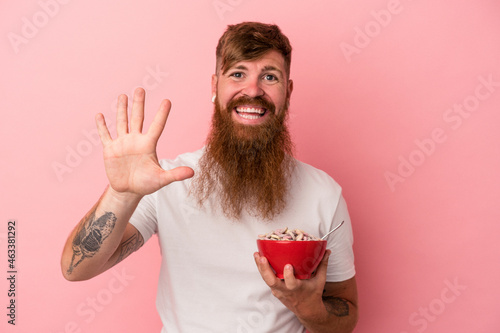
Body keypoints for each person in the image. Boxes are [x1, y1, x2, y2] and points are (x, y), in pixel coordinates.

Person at [61, 22, 358, 332]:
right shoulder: (165, 181)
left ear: (288, 91)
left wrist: (311, 310)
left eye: (270, 77)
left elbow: (346, 313)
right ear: (214, 88)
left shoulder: (324, 193)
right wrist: (121, 195)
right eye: (238, 74)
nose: (253, 90)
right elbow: (76, 268)